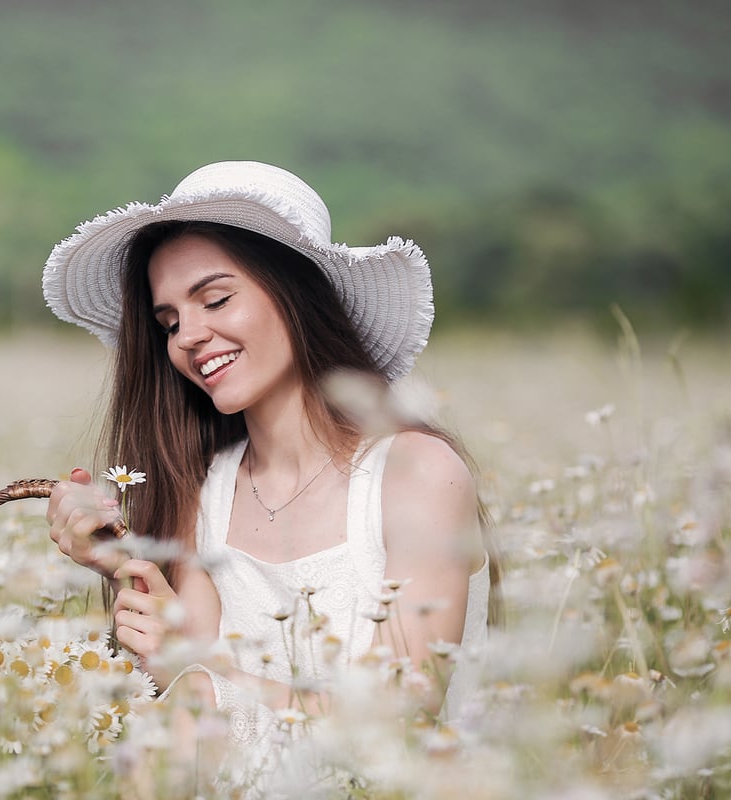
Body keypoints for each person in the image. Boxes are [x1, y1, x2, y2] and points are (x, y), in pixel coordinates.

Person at [41, 161, 498, 775]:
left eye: (216, 299)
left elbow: (401, 719)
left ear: (296, 295)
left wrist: (196, 674)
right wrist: (124, 562)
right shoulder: (205, 493)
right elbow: (188, 698)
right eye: (169, 323)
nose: (188, 337)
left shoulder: (417, 473)